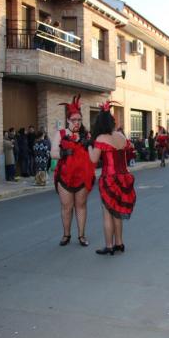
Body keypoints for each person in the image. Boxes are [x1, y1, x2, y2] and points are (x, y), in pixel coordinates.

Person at [89, 101, 137, 255]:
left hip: (109, 178)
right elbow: (128, 152)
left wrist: (89, 147)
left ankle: (109, 246)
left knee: (107, 213)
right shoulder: (121, 136)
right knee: (118, 211)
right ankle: (120, 243)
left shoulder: (101, 138)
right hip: (124, 177)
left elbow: (93, 160)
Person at [51, 95, 95, 246]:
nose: (77, 123)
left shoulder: (86, 135)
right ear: (68, 120)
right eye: (74, 120)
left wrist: (89, 143)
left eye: (79, 120)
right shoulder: (60, 134)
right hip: (65, 177)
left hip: (82, 177)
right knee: (66, 207)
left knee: (81, 206)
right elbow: (52, 153)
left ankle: (81, 236)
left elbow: (93, 157)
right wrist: (63, 152)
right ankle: (66, 235)